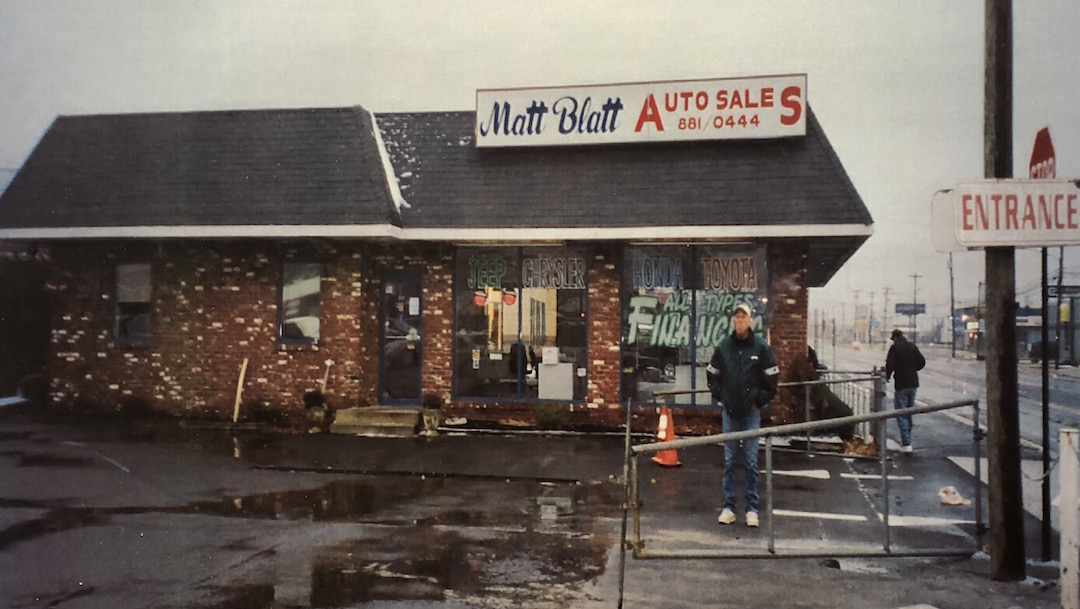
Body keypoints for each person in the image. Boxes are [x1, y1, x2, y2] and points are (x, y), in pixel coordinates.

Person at [706, 302, 780, 528]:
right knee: (729, 462)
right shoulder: (723, 346)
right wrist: (720, 395)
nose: (740, 321)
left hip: (751, 414)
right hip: (729, 413)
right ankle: (728, 507)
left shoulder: (761, 347)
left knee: (750, 462)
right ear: (733, 321)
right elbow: (711, 374)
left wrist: (759, 401)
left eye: (743, 317)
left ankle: (751, 509)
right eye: (736, 317)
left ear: (750, 321)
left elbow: (772, 378)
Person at [885, 329, 926, 453]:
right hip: (913, 383)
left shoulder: (895, 348)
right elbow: (922, 362)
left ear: (895, 338)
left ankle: (906, 442)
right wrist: (913, 369)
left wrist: (887, 375)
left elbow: (890, 364)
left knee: (901, 413)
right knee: (909, 412)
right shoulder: (912, 346)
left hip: (901, 384)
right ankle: (907, 439)